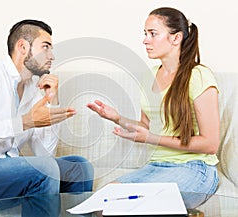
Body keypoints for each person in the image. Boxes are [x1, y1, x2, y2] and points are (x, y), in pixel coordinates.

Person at [0, 19, 94, 208]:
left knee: (79, 166)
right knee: (44, 169)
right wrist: (25, 122)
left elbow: (45, 154)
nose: (52, 56)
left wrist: (52, 101)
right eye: (46, 47)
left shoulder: (33, 92)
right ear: (22, 47)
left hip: (5, 178)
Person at [87, 7, 219, 208]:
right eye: (145, 34)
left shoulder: (199, 76)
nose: (145, 40)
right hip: (155, 166)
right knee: (99, 203)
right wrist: (116, 118)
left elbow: (210, 143)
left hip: (195, 168)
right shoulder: (149, 76)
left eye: (153, 34)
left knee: (122, 207)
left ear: (176, 38)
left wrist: (151, 138)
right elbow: (147, 127)